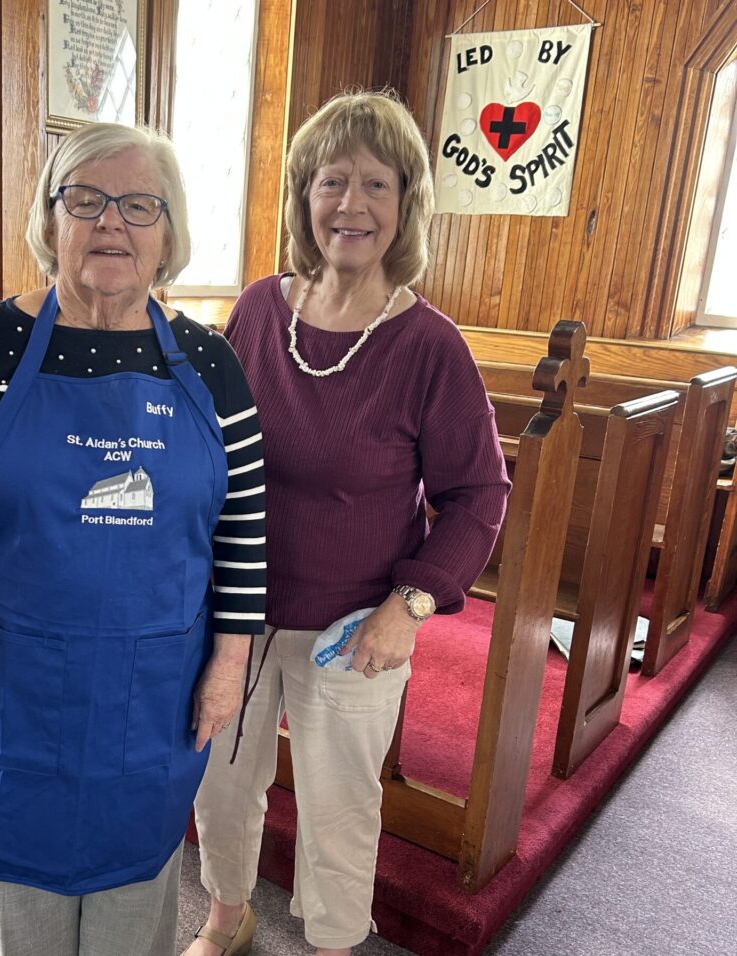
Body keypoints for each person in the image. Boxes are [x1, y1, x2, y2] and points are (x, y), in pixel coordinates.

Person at [0, 122, 266, 956]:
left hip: (155, 690)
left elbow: (243, 528)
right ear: (50, 217)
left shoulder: (209, 363)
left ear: (169, 231)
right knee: (30, 905)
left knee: (136, 897)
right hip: (16, 689)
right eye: (85, 199)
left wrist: (229, 666)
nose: (111, 222)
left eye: (139, 205)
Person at [185, 91, 511, 956]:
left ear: (406, 203)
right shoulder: (260, 310)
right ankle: (226, 918)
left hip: (353, 627)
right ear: (304, 195)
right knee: (221, 783)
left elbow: (481, 494)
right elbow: (209, 447)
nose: (350, 204)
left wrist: (411, 605)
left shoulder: (430, 346)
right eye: (331, 180)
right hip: (237, 612)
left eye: (375, 183)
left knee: (337, 808)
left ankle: (333, 945)